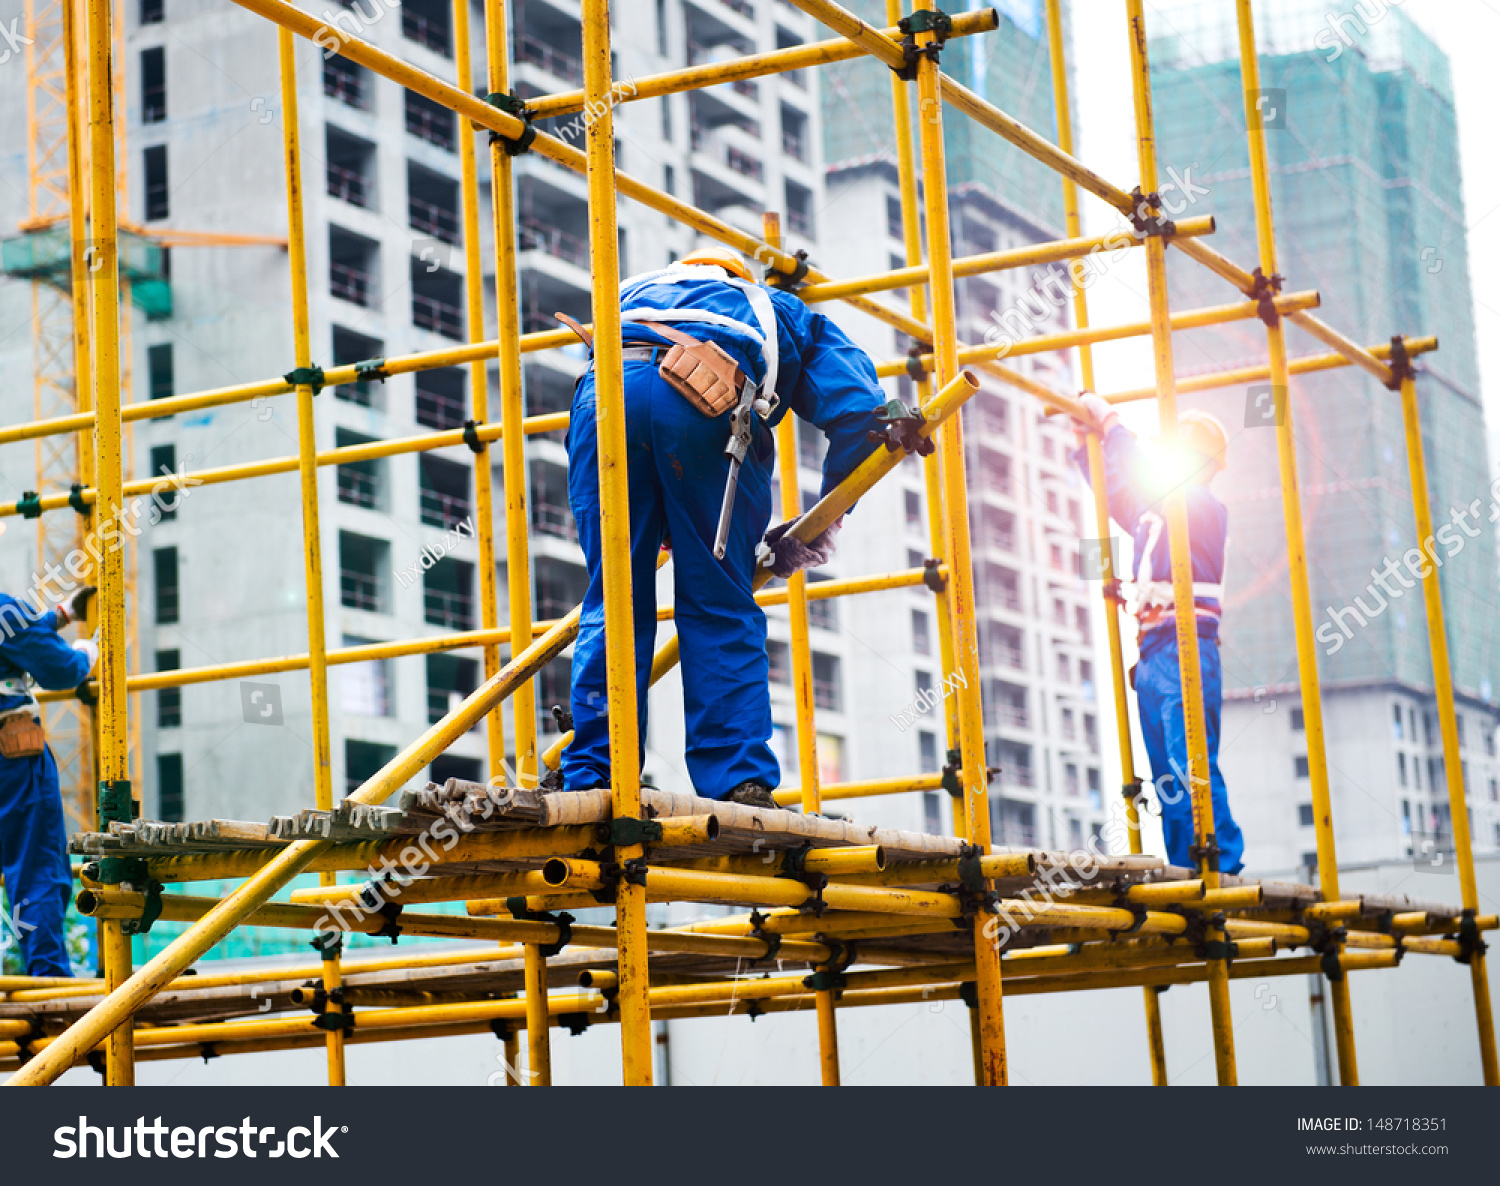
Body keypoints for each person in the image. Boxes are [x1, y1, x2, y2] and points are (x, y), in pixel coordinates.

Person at [562, 247, 885, 807]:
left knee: (612, 602)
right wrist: (827, 516)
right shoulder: (771, 304)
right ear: (735, 275)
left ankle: (594, 773)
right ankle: (738, 778)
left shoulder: (627, 293)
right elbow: (861, 411)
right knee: (717, 603)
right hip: (706, 403)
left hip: (602, 399)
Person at [1071, 394, 1245, 874]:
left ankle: (1220, 864)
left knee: (1189, 761)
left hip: (1185, 644)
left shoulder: (1200, 505)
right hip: (1153, 652)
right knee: (1168, 773)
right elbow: (1116, 492)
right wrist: (1086, 443)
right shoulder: (1159, 512)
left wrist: (1111, 423)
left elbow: (1139, 472)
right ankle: (1189, 865)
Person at [0, 554, 97, 978]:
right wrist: (88, 653)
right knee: (36, 868)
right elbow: (60, 669)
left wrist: (59, 616)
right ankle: (50, 986)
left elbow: (16, 636)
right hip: (12, 762)